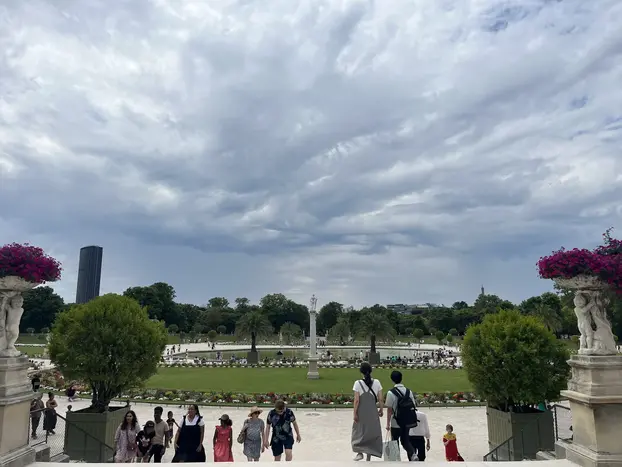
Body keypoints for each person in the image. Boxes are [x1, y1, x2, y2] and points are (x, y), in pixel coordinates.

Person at [352, 362, 383, 461]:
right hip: (372, 411)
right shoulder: (377, 382)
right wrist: (381, 409)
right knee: (371, 431)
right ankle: (369, 454)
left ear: (361, 371)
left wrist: (355, 413)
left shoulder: (357, 383)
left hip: (361, 411)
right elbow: (380, 399)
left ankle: (359, 452)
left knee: (359, 431)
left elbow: (356, 400)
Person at [385, 370, 417, 461]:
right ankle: (413, 454)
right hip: (407, 421)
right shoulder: (409, 391)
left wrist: (388, 424)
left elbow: (389, 410)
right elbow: (413, 405)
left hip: (396, 422)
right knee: (405, 440)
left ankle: (396, 460)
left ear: (392, 380)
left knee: (395, 441)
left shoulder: (390, 393)